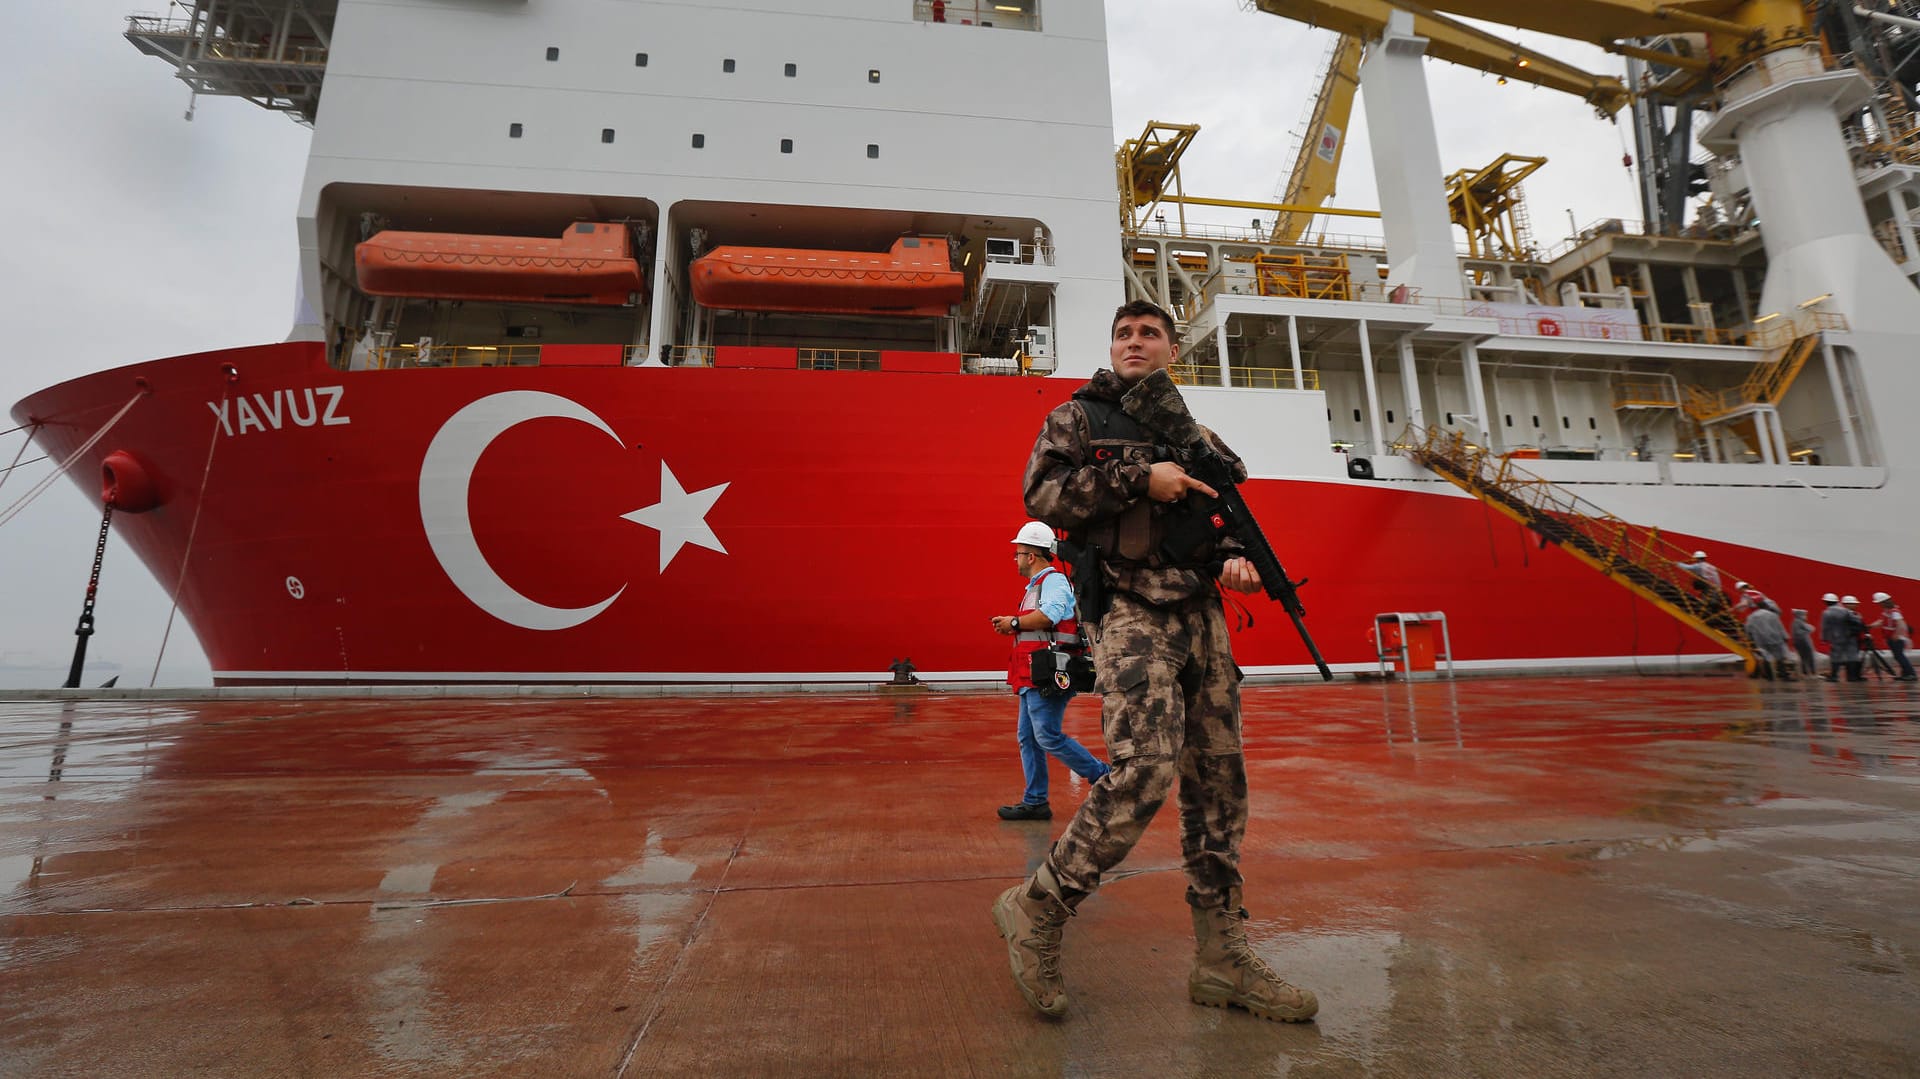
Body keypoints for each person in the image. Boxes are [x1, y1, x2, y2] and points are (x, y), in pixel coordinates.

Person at [991, 298, 1318, 1023]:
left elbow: (1226, 519)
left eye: (1150, 333)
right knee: (1145, 767)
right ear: (1111, 346)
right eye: (1124, 333)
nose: (1135, 342)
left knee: (1218, 778)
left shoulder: (1198, 437)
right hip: (1131, 608)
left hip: (1201, 613)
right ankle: (1039, 903)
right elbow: (1043, 495)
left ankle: (1221, 953)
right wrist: (1142, 477)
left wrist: (1236, 561)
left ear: (1172, 348)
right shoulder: (1078, 418)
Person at [992, 521, 1111, 820]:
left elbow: (1050, 615)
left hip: (1048, 671)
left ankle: (1104, 776)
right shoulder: (1036, 586)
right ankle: (1035, 801)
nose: (1015, 559)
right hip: (1033, 672)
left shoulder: (1053, 581)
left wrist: (1014, 623)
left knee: (1045, 735)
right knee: (1029, 738)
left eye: (1018, 553)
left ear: (1031, 556)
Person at [1869, 592, 1917, 681]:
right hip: (1891, 637)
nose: (1879, 605)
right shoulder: (1886, 612)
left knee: (1899, 656)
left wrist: (1896, 634)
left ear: (1884, 602)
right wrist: (1870, 626)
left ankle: (1911, 674)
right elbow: (1881, 622)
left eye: (1880, 603)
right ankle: (1906, 674)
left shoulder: (1894, 612)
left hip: (1896, 638)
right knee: (1898, 656)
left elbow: (1901, 623)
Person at [1820, 594, 1867, 682]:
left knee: (1836, 657)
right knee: (1852, 657)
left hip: (1836, 638)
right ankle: (1852, 677)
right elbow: (1858, 621)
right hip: (1850, 637)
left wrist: (1824, 638)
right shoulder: (1845, 611)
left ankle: (1834, 676)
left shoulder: (1826, 613)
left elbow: (1825, 627)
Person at [1743, 603, 1791, 680]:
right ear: (1766, 607)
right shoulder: (1773, 615)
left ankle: (1769, 676)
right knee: (1779, 657)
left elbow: (1748, 628)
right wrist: (1785, 637)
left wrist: (1749, 637)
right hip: (1775, 639)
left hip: (1760, 640)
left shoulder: (1751, 616)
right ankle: (1783, 675)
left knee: (1766, 657)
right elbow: (1779, 627)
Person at [1790, 608, 1818, 677]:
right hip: (1804, 642)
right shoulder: (1799, 622)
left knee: (1803, 658)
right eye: (1804, 615)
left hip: (1799, 643)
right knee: (1809, 657)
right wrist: (1807, 631)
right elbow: (1811, 628)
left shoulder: (1796, 622)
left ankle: (1806, 672)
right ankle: (1812, 672)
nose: (1806, 616)